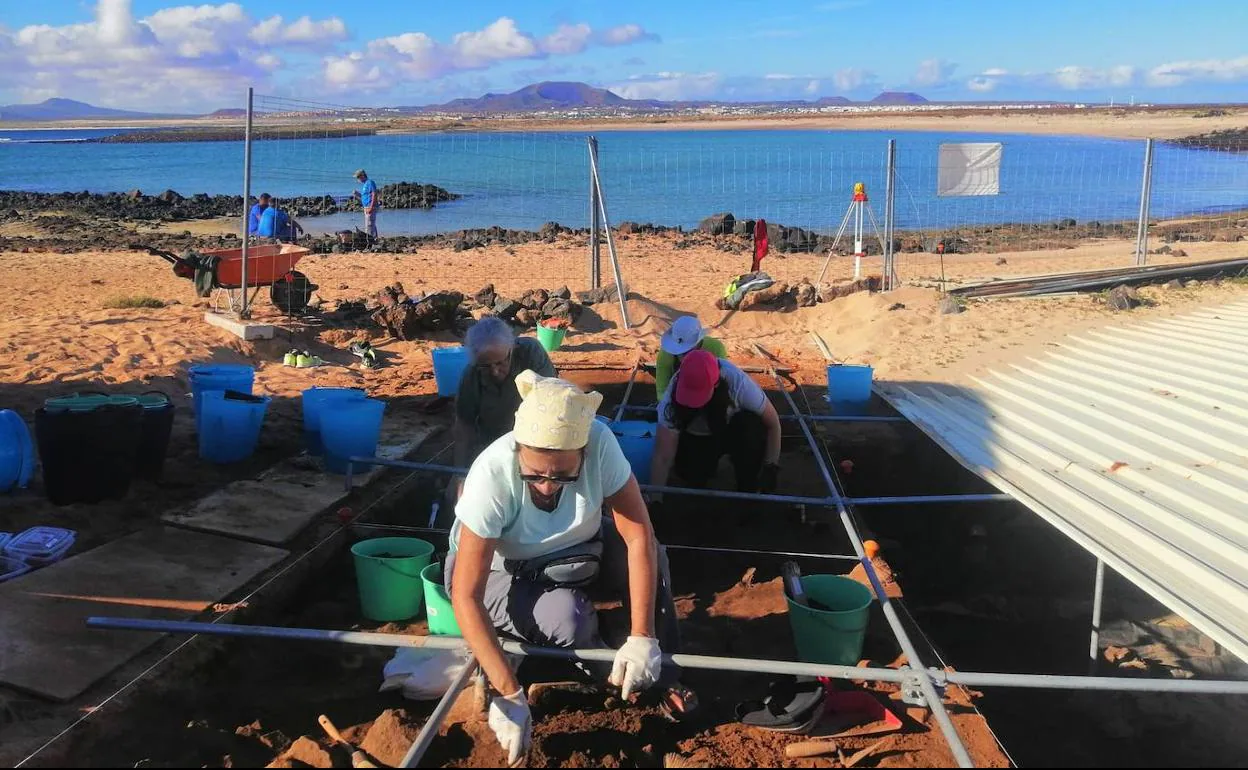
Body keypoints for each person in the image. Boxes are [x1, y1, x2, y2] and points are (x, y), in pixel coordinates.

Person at [448, 371, 689, 765]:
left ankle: (659, 670)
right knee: (568, 617)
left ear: (583, 452)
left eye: (562, 475)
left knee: (654, 557)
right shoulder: (492, 473)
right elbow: (465, 594)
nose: (546, 486)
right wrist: (509, 693)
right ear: (519, 450)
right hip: (500, 570)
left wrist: (644, 635)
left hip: (574, 550)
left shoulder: (601, 444)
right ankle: (605, 677)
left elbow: (638, 537)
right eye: (535, 474)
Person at [650, 349, 782, 496]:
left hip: (728, 430)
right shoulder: (671, 397)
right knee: (691, 478)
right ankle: (699, 473)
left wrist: (771, 467)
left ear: (716, 384)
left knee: (750, 426)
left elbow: (773, 423)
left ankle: (747, 488)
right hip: (696, 438)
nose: (694, 402)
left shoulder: (738, 383)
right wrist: (655, 497)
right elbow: (663, 456)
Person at [454, 317, 555, 472]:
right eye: (486, 366)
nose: (494, 372)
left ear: (512, 349)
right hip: (494, 446)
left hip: (537, 441)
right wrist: (458, 473)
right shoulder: (471, 375)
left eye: (501, 362)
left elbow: (550, 404)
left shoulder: (531, 354)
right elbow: (464, 425)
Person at [655, 315, 728, 399]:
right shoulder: (666, 354)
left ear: (698, 342)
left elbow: (723, 383)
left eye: (687, 351)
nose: (684, 355)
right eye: (682, 352)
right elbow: (662, 391)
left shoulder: (716, 348)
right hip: (678, 399)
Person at [354, 169, 379, 239]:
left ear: (362, 176)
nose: (357, 179)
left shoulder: (370, 182)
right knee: (371, 225)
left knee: (369, 225)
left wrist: (371, 207)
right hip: (366, 207)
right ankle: (374, 239)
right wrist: (357, 194)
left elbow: (374, 194)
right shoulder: (365, 184)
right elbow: (364, 197)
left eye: (358, 177)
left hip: (370, 207)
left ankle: (370, 241)